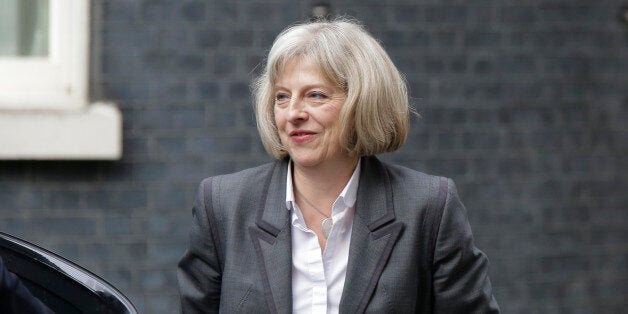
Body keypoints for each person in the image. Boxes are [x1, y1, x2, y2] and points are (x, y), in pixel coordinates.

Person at [178, 18, 499, 313]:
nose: (293, 113)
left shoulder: (427, 207)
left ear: (363, 101)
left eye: (315, 95)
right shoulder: (223, 204)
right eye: (282, 97)